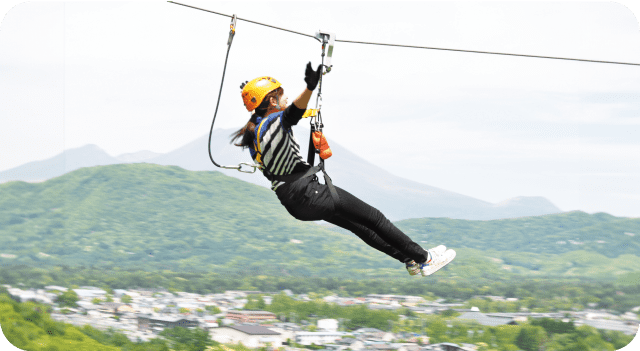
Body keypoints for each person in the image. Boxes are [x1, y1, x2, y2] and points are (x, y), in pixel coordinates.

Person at [230, 62, 455, 277]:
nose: (286, 98)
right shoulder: (272, 125)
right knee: (374, 218)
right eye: (282, 95)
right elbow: (292, 114)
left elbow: (288, 116)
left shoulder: (254, 135)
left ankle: (409, 260)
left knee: (360, 227)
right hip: (308, 194)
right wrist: (310, 87)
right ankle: (424, 258)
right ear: (272, 101)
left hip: (295, 201)